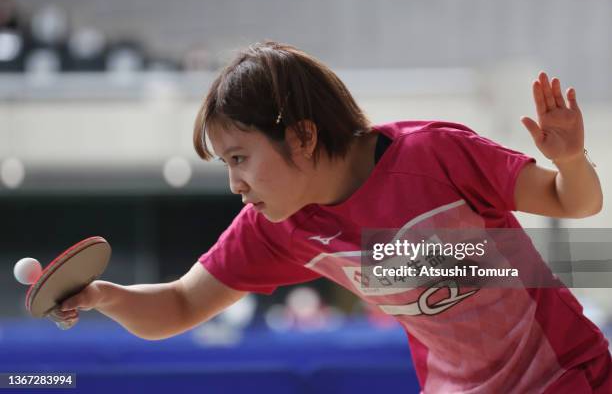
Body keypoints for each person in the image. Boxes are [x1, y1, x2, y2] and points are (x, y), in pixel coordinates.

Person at [54, 41, 610, 393]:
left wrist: (568, 160)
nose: (235, 184)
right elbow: (179, 305)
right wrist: (104, 296)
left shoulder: (435, 155)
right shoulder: (280, 226)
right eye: (227, 164)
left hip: (564, 376)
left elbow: (573, 202)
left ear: (301, 135)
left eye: (240, 158)